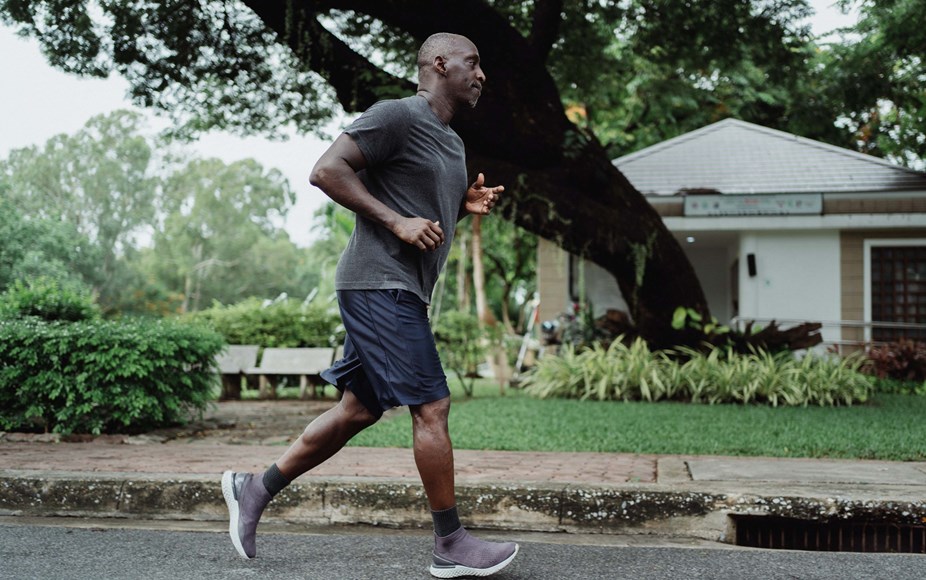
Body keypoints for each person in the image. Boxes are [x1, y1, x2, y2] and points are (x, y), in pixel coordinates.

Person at [221, 32, 519, 578]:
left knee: (358, 409)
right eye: (473, 63)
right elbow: (326, 170)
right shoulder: (396, 116)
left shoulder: (450, 142)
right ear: (439, 63)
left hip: (401, 288)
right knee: (432, 406)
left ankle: (253, 488)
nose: (481, 75)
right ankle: (450, 543)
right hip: (378, 283)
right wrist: (395, 221)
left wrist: (461, 204)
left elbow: (422, 207)